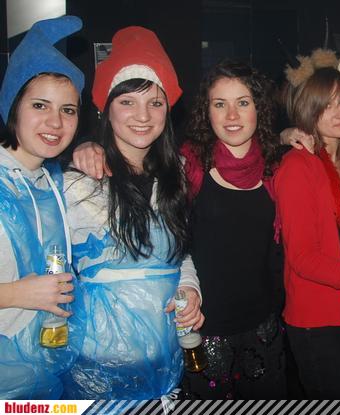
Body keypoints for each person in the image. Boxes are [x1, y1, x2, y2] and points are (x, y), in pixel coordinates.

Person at [60, 26, 203, 400]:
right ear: (106, 108)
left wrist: (190, 288)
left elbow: (178, 252)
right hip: (95, 368)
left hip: (164, 363)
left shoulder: (175, 177)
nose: (143, 116)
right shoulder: (78, 182)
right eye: (127, 102)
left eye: (155, 103)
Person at [179, 60, 286, 399]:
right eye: (219, 104)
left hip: (263, 326)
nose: (232, 115)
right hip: (204, 328)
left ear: (259, 108)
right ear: (206, 111)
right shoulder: (187, 165)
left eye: (243, 102)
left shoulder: (277, 164)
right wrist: (91, 147)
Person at [0, 16, 84, 399]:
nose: (55, 121)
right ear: (13, 106)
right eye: (40, 105)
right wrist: (15, 294)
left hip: (44, 381)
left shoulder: (51, 183)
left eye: (68, 110)